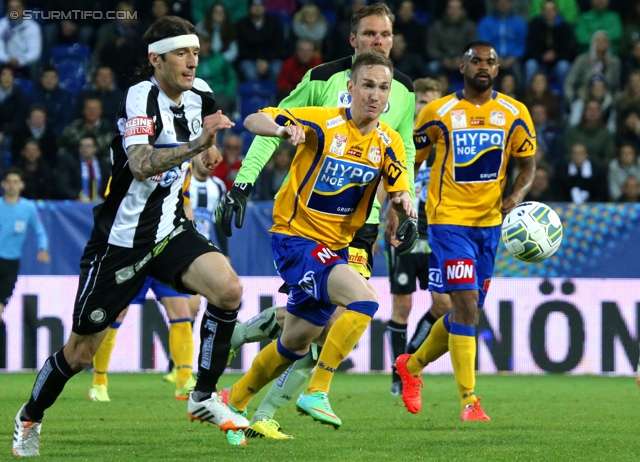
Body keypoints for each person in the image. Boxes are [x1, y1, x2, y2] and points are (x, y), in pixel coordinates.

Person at [12, 16, 249, 457]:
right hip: (119, 243)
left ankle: (203, 395)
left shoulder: (201, 95)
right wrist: (198, 146)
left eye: (196, 52)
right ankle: (29, 416)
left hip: (169, 230)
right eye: (182, 52)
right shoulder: (139, 98)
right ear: (156, 59)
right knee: (80, 354)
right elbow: (140, 164)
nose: (192, 60)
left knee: (229, 289)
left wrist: (209, 153)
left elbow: (208, 148)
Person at [218, 2, 416, 439]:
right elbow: (260, 118)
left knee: (298, 340)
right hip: (298, 236)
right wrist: (250, 173)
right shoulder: (324, 104)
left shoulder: (394, 122)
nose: (375, 94)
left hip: (349, 235)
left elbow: (403, 171)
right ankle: (316, 390)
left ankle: (238, 401)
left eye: (381, 88)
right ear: (352, 72)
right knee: (363, 301)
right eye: (367, 85)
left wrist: (407, 207)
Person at [395, 40, 536, 422]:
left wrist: (516, 196)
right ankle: (469, 401)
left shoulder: (514, 113)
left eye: (491, 61)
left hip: (489, 226)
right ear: (462, 66)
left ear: (499, 68)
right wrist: (400, 206)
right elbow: (410, 161)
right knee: (466, 305)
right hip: (447, 221)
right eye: (477, 60)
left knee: (465, 312)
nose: (484, 66)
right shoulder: (439, 112)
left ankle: (412, 364)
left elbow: (528, 166)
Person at [384, 77, 452, 396]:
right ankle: (399, 379)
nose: (428, 110)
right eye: (423, 103)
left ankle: (408, 358)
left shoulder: (446, 145)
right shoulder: (400, 138)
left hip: (436, 231)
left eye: (433, 104)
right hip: (406, 225)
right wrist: (387, 215)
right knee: (403, 305)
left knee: (444, 304)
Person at [87, 277, 195, 402]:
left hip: (163, 260)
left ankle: (184, 381)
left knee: (181, 312)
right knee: (116, 313)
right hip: (135, 261)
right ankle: (99, 383)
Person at [0, 168, 50, 319]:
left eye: (15, 182)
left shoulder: (28, 208)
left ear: (21, 185)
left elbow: (40, 231)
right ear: (3, 184)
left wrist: (43, 249)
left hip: (11, 264)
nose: (11, 185)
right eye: (8, 182)